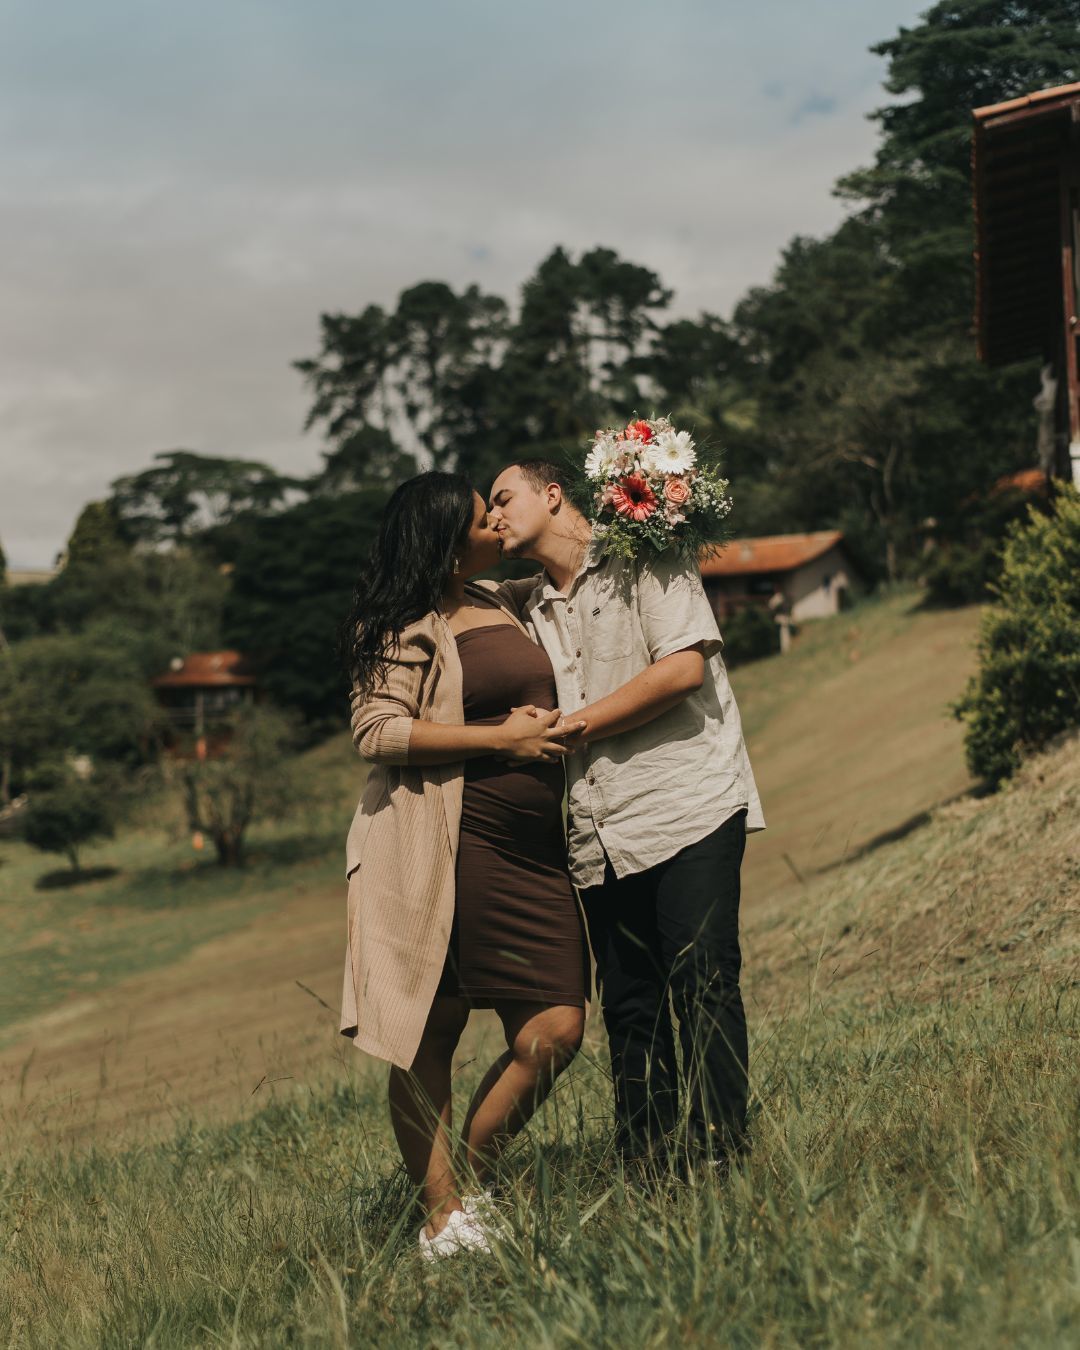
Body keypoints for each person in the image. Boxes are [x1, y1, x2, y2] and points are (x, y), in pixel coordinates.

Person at [487, 459, 765, 1171]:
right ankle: (647, 1162)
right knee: (630, 1006)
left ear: (553, 494)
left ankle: (722, 1153)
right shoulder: (525, 605)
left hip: (686, 803)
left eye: (503, 499)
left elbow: (680, 671)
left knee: (702, 982)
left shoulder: (646, 553)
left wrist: (568, 729)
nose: (493, 516)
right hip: (598, 831)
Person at [339, 471, 589, 1260]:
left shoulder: (502, 599)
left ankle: (466, 1189)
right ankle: (445, 1220)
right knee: (432, 1032)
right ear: (449, 548)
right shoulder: (402, 623)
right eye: (484, 521)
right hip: (451, 844)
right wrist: (500, 740)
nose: (497, 526)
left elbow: (575, 563)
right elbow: (377, 731)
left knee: (555, 1028)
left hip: (532, 852)